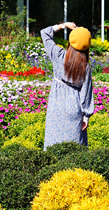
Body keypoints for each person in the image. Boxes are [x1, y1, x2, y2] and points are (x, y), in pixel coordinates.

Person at [41, 21, 95, 150]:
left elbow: (44, 33)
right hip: (74, 107)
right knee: (75, 144)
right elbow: (86, 93)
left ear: (70, 42)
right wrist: (86, 117)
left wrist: (62, 25)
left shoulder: (58, 55)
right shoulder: (85, 67)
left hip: (56, 105)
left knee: (53, 140)